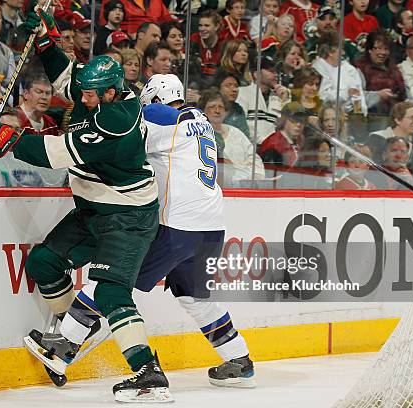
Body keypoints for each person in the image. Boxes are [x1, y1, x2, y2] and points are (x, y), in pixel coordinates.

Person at [0, 8, 171, 403]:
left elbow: (56, 152)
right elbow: (67, 75)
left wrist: (6, 138)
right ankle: (69, 337)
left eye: (90, 95)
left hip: (127, 217)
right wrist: (46, 42)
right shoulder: (97, 88)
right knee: (43, 263)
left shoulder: (116, 122)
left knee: (112, 294)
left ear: (111, 93)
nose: (80, 98)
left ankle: (149, 374)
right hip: (93, 209)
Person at [33, 74, 257, 389]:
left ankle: (63, 347)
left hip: (174, 226)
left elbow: (116, 133)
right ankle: (239, 358)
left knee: (110, 281)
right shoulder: (200, 119)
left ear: (152, 100)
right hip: (211, 227)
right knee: (195, 297)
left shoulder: (157, 115)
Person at [200, 89, 265, 184]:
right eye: (212, 107)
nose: (217, 111)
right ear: (203, 111)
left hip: (244, 188)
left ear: (226, 112)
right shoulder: (200, 135)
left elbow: (255, 161)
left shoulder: (236, 133)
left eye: (221, 107)